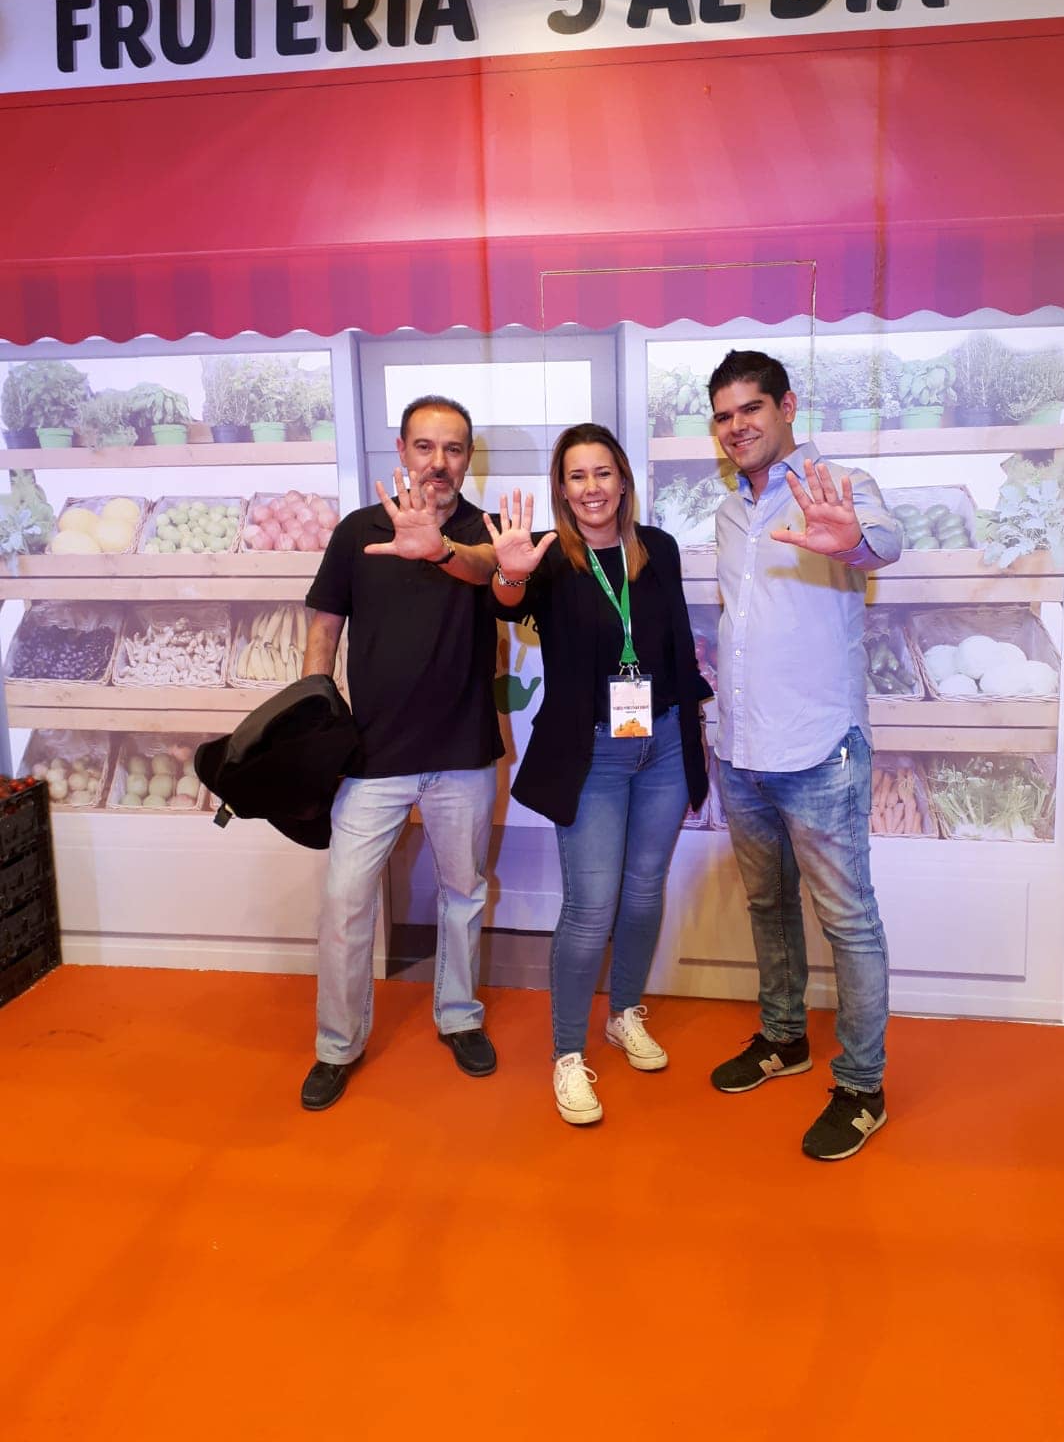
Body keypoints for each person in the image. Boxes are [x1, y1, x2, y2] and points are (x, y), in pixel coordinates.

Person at [706, 350, 900, 1160]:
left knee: (848, 921)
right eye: (723, 415)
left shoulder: (839, 484)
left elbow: (883, 542)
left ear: (786, 407)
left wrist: (852, 542)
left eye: (751, 408)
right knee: (768, 905)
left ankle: (862, 1086)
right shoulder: (728, 512)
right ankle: (784, 1037)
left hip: (821, 749)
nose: (737, 426)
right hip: (742, 750)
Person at [486, 423, 709, 1127]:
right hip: (592, 754)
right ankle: (567, 1053)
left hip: (661, 742)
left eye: (603, 472)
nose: (592, 488)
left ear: (623, 480)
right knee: (590, 908)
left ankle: (625, 1013)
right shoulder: (550, 558)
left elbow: (675, 642)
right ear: (561, 487)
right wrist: (511, 572)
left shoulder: (659, 549)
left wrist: (694, 729)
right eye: (577, 475)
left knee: (642, 894)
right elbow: (505, 601)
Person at [298, 395, 502, 1110]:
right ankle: (337, 1044)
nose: (439, 462)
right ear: (402, 450)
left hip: (463, 754)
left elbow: (491, 571)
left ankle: (459, 1016)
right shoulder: (358, 531)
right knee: (344, 902)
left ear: (467, 457)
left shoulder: (487, 532)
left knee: (463, 895)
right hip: (373, 756)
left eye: (453, 448)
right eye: (425, 446)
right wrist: (313, 711)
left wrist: (440, 548)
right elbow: (324, 627)